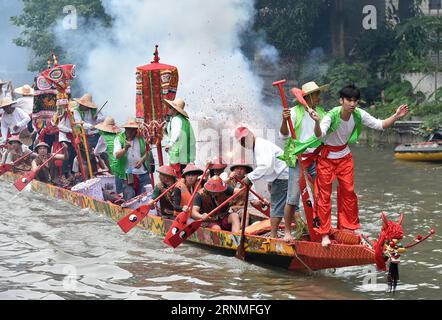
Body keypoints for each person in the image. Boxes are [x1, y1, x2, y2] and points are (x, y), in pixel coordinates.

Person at [307, 85, 409, 247]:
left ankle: (348, 228)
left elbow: (380, 125)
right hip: (326, 158)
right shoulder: (331, 116)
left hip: (345, 157)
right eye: (349, 100)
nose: (352, 104)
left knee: (349, 193)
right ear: (342, 101)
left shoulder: (359, 114)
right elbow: (319, 135)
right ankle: (324, 234)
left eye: (355, 100)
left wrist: (396, 116)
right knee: (323, 196)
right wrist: (317, 122)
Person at [279, 81, 328, 242]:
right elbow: (284, 136)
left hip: (316, 158)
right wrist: (284, 121)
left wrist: (316, 121)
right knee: (292, 198)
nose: (319, 98)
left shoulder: (321, 112)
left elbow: (324, 135)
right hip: (299, 159)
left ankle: (321, 229)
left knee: (320, 197)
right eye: (317, 95)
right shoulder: (293, 112)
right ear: (309, 97)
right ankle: (287, 232)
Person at [235, 126, 289, 239]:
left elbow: (266, 166)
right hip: (282, 175)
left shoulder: (260, 146)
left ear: (251, 135)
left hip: (282, 175)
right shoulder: (258, 146)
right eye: (242, 141)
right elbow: (270, 165)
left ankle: (273, 237)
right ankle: (299, 229)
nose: (244, 143)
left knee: (276, 207)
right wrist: (270, 182)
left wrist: (249, 177)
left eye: (246, 139)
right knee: (290, 205)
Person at [114, 119, 152, 201]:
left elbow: (148, 152)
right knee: (130, 197)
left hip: (142, 173)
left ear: (136, 130)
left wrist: (142, 160)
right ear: (125, 129)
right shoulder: (119, 138)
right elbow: (117, 155)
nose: (131, 132)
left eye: (133, 129)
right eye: (129, 129)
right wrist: (125, 149)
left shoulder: (141, 138)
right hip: (127, 174)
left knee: (145, 198)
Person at [225, 159, 269, 226]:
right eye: (237, 168)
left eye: (242, 169)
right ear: (233, 170)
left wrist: (261, 202)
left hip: (239, 209)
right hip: (225, 209)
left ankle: (242, 233)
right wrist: (229, 179)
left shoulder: (248, 183)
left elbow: (253, 200)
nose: (239, 171)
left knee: (245, 214)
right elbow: (219, 187)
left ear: (245, 172)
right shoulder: (226, 177)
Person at [164, 98, 196, 177]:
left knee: (177, 182)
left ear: (175, 110)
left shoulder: (176, 119)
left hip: (177, 157)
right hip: (187, 157)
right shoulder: (185, 121)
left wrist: (170, 144)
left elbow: (177, 132)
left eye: (170, 107)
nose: (168, 109)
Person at [94, 117, 123, 192]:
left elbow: (96, 152)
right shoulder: (120, 134)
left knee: (119, 189)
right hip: (124, 161)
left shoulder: (103, 137)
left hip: (115, 164)